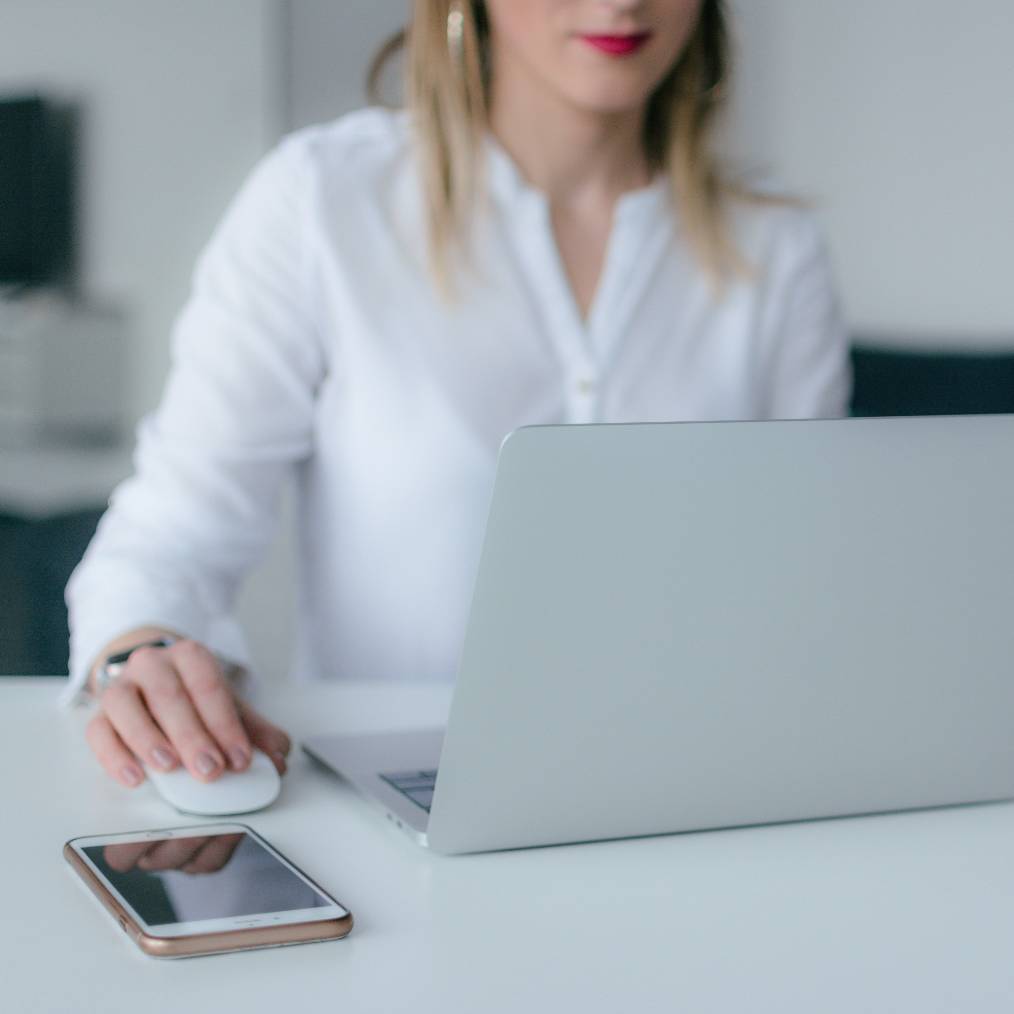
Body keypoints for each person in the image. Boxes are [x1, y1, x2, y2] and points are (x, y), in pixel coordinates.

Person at [65, 0, 851, 790]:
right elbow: (170, 538)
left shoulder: (776, 249)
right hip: (398, 797)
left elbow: (806, 584)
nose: (621, 1)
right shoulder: (323, 203)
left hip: (690, 792)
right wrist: (141, 655)